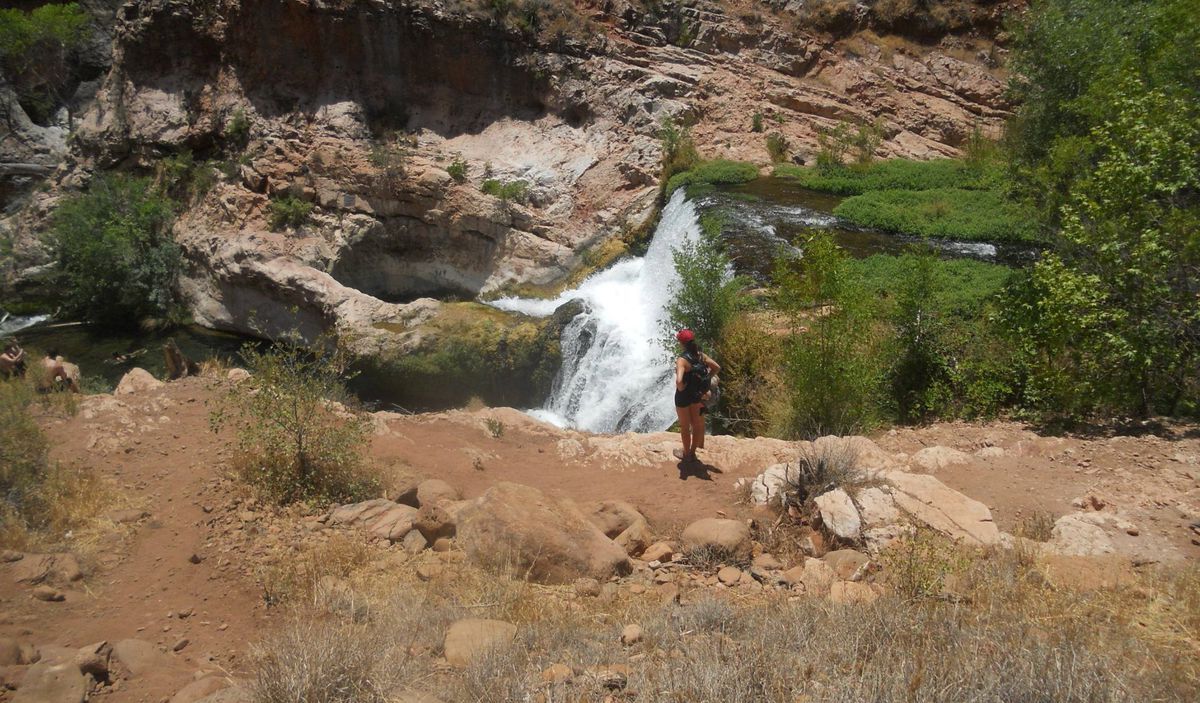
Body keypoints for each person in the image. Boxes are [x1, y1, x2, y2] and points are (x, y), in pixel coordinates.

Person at [672, 329, 720, 463]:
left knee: (685, 426)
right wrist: (707, 377)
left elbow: (679, 381)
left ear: (681, 343)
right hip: (697, 395)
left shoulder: (682, 360)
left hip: (683, 397)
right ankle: (693, 453)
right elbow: (717, 367)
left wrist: (682, 388)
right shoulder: (701, 356)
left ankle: (686, 454)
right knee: (697, 425)